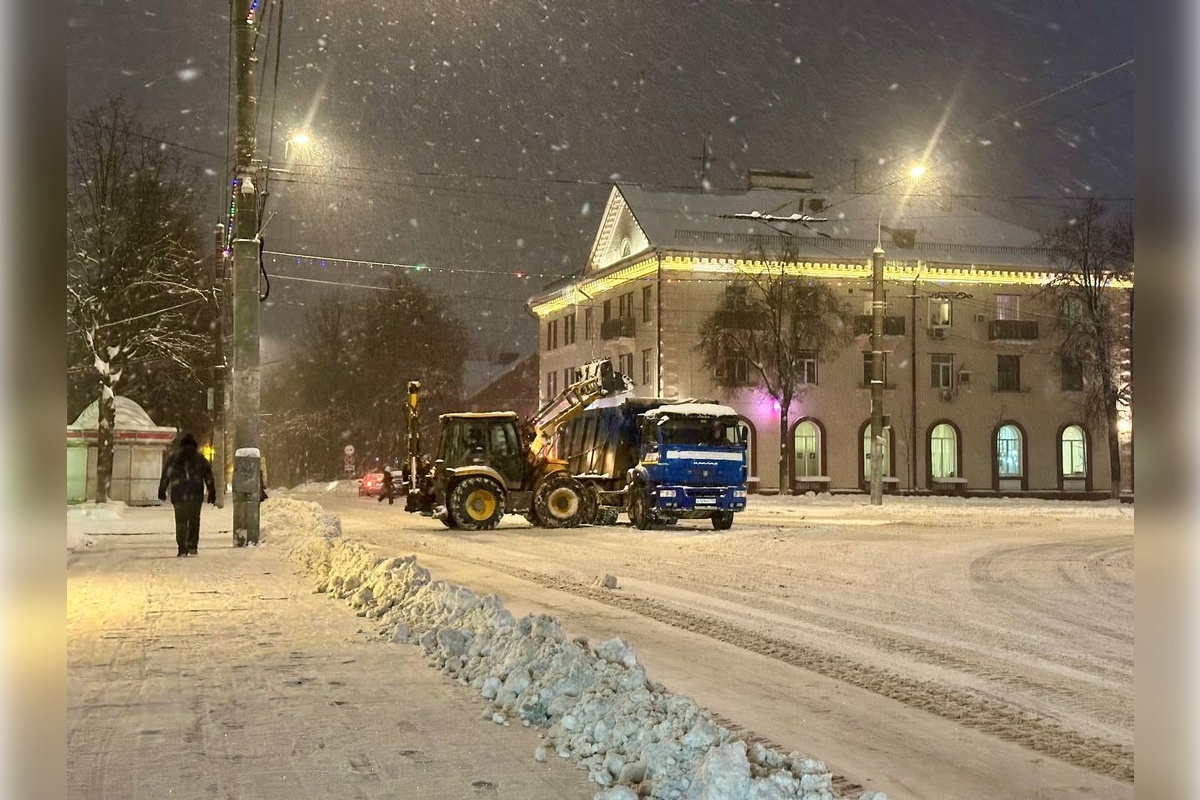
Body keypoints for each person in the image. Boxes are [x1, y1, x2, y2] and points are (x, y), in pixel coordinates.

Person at [157, 433, 216, 557]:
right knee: (194, 520)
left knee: (181, 521)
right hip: (195, 494)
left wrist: (162, 490)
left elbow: (166, 475)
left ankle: (182, 548)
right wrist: (211, 492)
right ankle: (192, 545)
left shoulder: (174, 458)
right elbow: (208, 476)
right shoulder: (200, 458)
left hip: (179, 494)